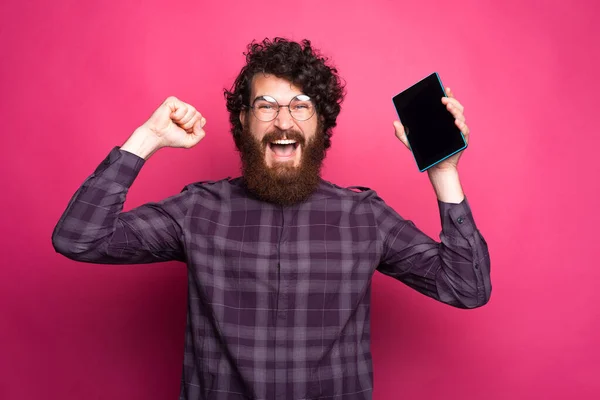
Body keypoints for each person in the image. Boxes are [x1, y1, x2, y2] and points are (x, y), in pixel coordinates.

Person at [52, 37, 491, 400]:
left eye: (301, 106)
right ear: (243, 121)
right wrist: (146, 138)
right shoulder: (197, 210)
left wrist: (443, 171)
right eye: (266, 106)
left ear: (321, 123)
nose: (284, 121)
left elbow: (467, 288)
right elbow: (80, 238)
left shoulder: (364, 216)